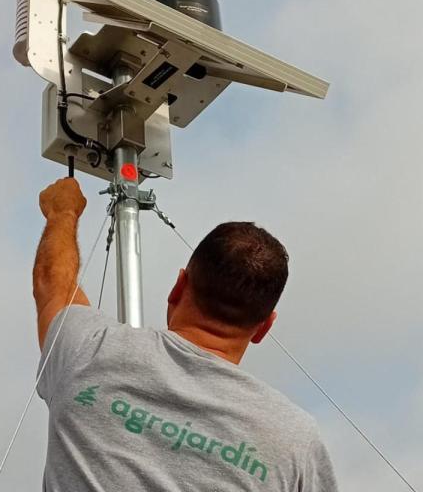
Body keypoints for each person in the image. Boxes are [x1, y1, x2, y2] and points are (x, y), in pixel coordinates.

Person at [33, 177, 338, 491]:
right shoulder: (295, 440)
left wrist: (63, 212)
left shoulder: (88, 351)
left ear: (178, 287)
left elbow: (53, 285)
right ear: (264, 327)